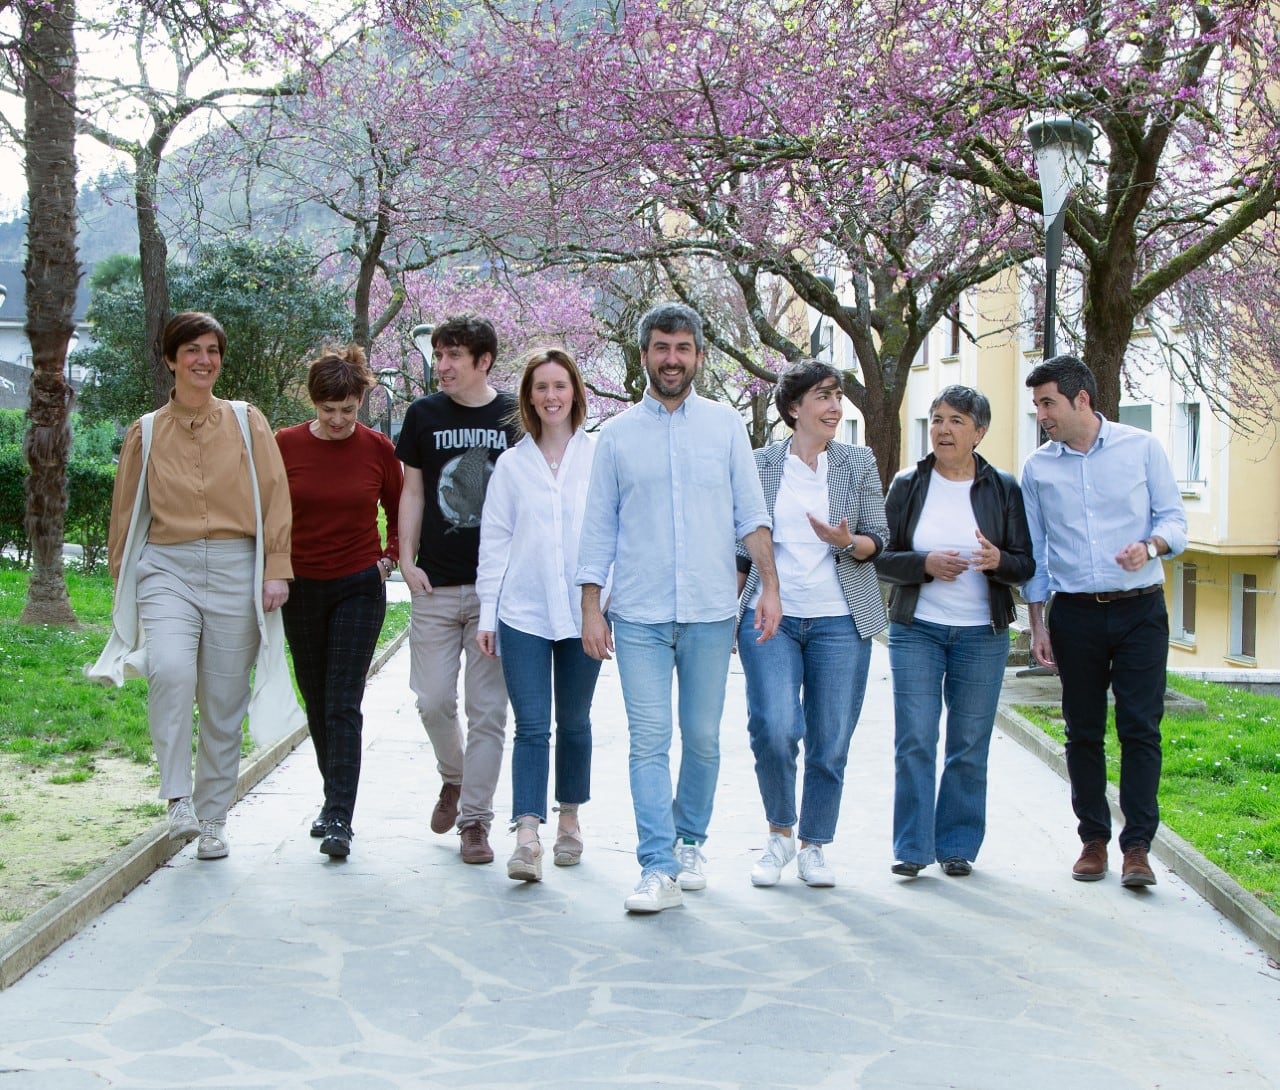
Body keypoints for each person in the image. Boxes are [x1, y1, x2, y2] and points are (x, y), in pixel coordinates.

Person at [576, 301, 781, 915]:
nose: (672, 359)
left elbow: (752, 513)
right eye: (661, 348)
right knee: (648, 741)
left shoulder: (724, 428)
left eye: (683, 348)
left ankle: (691, 841)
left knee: (702, 738)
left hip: (711, 612)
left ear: (697, 355)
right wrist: (591, 607)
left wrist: (769, 586)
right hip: (636, 613)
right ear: (644, 355)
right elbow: (597, 530)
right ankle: (657, 865)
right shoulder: (614, 436)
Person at [94, 311, 296, 862]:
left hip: (238, 566)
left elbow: (276, 494)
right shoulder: (146, 431)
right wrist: (122, 581)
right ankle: (177, 799)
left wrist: (275, 567)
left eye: (212, 350)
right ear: (170, 359)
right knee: (171, 670)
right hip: (167, 569)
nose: (204, 360)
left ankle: (213, 819)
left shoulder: (246, 421)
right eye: (192, 350)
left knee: (224, 701)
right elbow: (125, 516)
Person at [1021, 355, 1187, 888]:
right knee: (1082, 732)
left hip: (1140, 609)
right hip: (1075, 615)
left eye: (1048, 402)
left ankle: (1137, 846)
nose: (1041, 414)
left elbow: (1174, 520)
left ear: (1082, 399)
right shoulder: (1038, 468)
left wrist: (1150, 545)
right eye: (1037, 404)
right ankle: (1093, 840)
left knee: (1141, 729)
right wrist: (1038, 624)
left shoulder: (1143, 449)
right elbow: (1037, 552)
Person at [737, 360, 888, 889]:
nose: (834, 406)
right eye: (823, 396)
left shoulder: (856, 461)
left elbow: (878, 541)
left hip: (841, 619)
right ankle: (779, 834)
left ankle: (814, 844)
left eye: (838, 396)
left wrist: (847, 541)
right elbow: (741, 545)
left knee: (830, 739)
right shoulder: (759, 465)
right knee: (775, 728)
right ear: (793, 407)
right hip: (770, 617)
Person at [874, 385, 1035, 878]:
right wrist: (925, 563)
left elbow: (1025, 564)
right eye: (937, 418)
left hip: (981, 635)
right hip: (917, 630)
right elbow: (881, 555)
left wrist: (997, 562)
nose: (943, 429)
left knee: (968, 742)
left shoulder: (1003, 487)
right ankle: (912, 848)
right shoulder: (908, 482)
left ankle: (957, 845)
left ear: (979, 431)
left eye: (957, 420)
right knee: (916, 739)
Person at [477, 347, 605, 882]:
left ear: (575, 391)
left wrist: (603, 603)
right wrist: (489, 612)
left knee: (573, 721)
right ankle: (527, 835)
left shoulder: (600, 456)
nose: (551, 396)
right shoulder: (511, 464)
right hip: (523, 611)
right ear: (529, 398)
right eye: (541, 388)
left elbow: (613, 533)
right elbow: (496, 540)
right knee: (531, 727)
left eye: (560, 386)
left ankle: (569, 820)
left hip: (585, 614)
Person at [395, 315, 518, 864]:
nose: (441, 366)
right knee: (433, 701)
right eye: (438, 355)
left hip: (498, 591)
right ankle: (454, 776)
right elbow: (415, 493)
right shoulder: (422, 414)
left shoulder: (516, 415)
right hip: (436, 584)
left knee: (487, 711)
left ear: (483, 362)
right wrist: (404, 558)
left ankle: (476, 822)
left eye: (453, 357)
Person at [275, 345, 402, 860]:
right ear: (314, 404)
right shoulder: (284, 445)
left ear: (360, 402)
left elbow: (399, 509)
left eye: (348, 410)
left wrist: (389, 557)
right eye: (328, 410)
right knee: (317, 698)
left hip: (357, 583)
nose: (338, 420)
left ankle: (340, 818)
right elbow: (268, 512)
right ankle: (332, 801)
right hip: (300, 584)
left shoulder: (377, 449)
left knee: (343, 701)